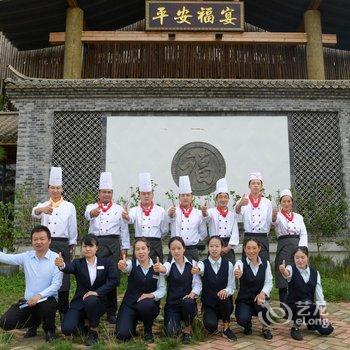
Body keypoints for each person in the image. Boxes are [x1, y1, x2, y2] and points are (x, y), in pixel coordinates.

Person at [0, 225, 62, 342]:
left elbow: (56, 285)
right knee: (5, 322)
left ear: (49, 241)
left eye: (42, 239)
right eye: (35, 239)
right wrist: (33, 299)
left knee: (47, 307)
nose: (38, 242)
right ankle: (33, 324)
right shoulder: (26, 256)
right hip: (28, 302)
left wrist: (39, 296)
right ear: (32, 241)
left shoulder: (56, 259)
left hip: (47, 300)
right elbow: (6, 258)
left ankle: (49, 330)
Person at [55, 234, 119, 346]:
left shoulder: (106, 263)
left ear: (97, 248)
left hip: (98, 302)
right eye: (85, 246)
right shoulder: (78, 263)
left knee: (91, 299)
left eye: (91, 246)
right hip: (79, 302)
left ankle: (93, 330)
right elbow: (69, 268)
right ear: (81, 248)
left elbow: (114, 281)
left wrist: (97, 292)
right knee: (67, 329)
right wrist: (62, 265)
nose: (88, 249)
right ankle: (85, 322)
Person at [32, 166, 77, 319]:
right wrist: (42, 209)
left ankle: (64, 311)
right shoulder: (43, 205)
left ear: (62, 189)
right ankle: (45, 310)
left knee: (63, 277)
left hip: (63, 244)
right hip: (46, 244)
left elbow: (73, 226)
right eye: (52, 188)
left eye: (58, 188)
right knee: (46, 276)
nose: (55, 190)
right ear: (48, 189)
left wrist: (72, 243)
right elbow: (34, 212)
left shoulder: (69, 206)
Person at [85, 171, 130, 324]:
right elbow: (87, 215)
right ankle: (96, 309)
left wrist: (124, 247)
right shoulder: (91, 206)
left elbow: (124, 229)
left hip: (113, 246)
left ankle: (112, 311)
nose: (106, 194)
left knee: (112, 278)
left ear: (112, 194)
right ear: (99, 193)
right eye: (104, 192)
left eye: (109, 192)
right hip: (96, 245)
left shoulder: (118, 209)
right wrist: (93, 212)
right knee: (96, 278)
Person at [116, 238, 166, 343]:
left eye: (143, 248)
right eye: (137, 249)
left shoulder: (157, 267)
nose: (141, 252)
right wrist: (123, 265)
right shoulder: (131, 264)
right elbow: (126, 267)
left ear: (148, 249)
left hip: (148, 305)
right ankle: (132, 322)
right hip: (130, 305)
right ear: (134, 252)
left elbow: (162, 289)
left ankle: (148, 331)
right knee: (123, 335)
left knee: (146, 304)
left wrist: (151, 295)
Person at [153, 236, 202, 344]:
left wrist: (192, 294)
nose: (176, 251)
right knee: (172, 333)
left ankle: (187, 328)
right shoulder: (169, 264)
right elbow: (165, 269)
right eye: (173, 249)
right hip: (172, 305)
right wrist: (161, 269)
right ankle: (178, 322)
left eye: (179, 248)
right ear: (170, 250)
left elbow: (197, 284)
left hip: (187, 303)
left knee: (188, 303)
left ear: (184, 249)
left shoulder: (192, 263)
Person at [279, 246, 334, 341]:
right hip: (293, 307)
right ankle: (295, 328)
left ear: (307, 257)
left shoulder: (315, 273)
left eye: (302, 257)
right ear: (294, 258)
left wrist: (323, 314)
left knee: (327, 330)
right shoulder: (290, 268)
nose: (300, 260)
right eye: (297, 258)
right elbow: (287, 274)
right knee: (306, 302)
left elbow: (319, 295)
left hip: (308, 306)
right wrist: (283, 270)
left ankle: (310, 322)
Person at [192, 235, 236, 341]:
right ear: (208, 247)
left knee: (224, 296)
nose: (214, 249)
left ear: (222, 247)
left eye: (217, 246)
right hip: (209, 304)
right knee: (210, 327)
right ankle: (210, 317)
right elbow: (200, 269)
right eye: (211, 246)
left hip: (225, 304)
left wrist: (225, 290)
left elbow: (231, 286)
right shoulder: (202, 264)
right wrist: (197, 269)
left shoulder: (228, 265)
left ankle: (226, 328)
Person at [273, 189, 308, 309]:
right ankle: (284, 306)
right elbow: (273, 221)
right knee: (282, 275)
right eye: (284, 201)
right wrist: (273, 214)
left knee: (298, 274)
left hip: (297, 246)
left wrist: (302, 250)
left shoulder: (299, 217)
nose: (286, 204)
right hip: (283, 246)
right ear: (280, 203)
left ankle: (299, 303)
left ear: (291, 202)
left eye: (288, 201)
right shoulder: (277, 216)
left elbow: (303, 233)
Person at [122, 172, 168, 262]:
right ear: (139, 195)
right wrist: (126, 216)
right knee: (138, 271)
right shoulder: (134, 210)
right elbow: (130, 219)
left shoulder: (161, 211)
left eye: (148, 193)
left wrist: (155, 238)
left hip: (155, 245)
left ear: (152, 194)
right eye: (143, 194)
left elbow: (165, 230)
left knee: (156, 271)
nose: (146, 196)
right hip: (139, 245)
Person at [234, 238, 273, 339]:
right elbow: (237, 269)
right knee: (242, 319)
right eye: (248, 248)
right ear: (244, 249)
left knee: (265, 305)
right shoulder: (240, 263)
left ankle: (265, 327)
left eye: (254, 248)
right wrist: (238, 273)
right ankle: (247, 325)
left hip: (259, 299)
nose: (251, 251)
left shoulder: (266, 263)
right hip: (244, 300)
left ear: (259, 248)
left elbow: (269, 282)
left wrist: (263, 293)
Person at [168, 175, 207, 261]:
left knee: (194, 273)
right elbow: (169, 218)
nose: (185, 197)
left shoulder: (198, 213)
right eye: (183, 195)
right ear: (179, 197)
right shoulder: (173, 210)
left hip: (192, 250)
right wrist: (170, 214)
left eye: (187, 195)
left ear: (192, 197)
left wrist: (195, 240)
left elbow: (203, 233)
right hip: (175, 250)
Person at [235, 172, 273, 261]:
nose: (255, 186)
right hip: (249, 236)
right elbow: (237, 212)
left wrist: (265, 233)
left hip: (263, 237)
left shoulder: (267, 202)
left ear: (261, 186)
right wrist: (240, 204)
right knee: (247, 264)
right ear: (249, 186)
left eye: (258, 183)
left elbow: (269, 221)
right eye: (253, 183)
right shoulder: (244, 199)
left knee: (264, 263)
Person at [201, 178, 239, 264]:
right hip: (214, 244)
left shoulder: (232, 215)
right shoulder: (211, 211)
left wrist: (228, 248)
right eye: (220, 197)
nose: (223, 199)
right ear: (216, 199)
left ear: (228, 199)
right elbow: (206, 217)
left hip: (228, 245)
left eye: (225, 197)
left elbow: (235, 232)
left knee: (229, 270)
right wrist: (204, 212)